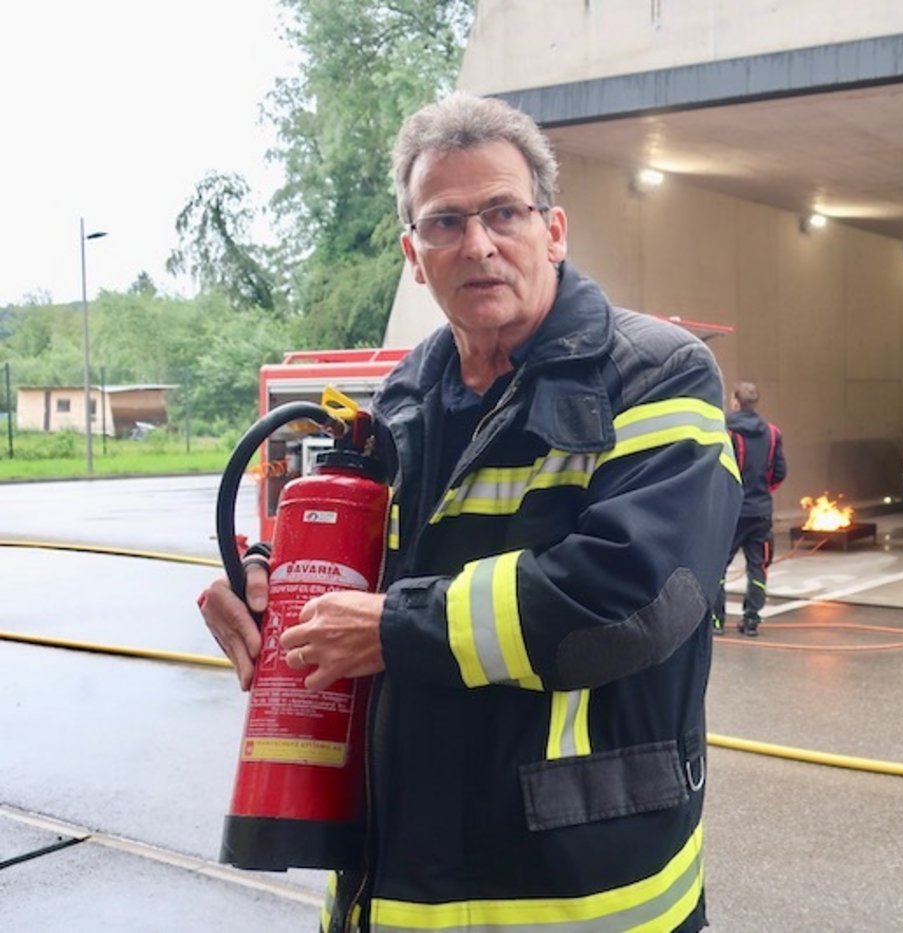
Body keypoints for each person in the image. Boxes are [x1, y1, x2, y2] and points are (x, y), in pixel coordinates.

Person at [199, 91, 741, 932]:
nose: (478, 244)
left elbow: (635, 595)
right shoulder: (396, 406)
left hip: (578, 894)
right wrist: (275, 591)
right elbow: (364, 580)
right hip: (393, 892)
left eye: (503, 212)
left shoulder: (654, 373)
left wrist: (394, 628)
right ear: (414, 255)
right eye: (445, 222)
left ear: (553, 230)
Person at [712, 381, 786, 636]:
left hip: (731, 513)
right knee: (758, 567)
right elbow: (779, 473)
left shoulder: (724, 432)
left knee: (717, 566)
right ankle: (751, 620)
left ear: (735, 401)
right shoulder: (772, 433)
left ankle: (716, 620)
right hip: (760, 513)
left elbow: (717, 472)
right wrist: (761, 493)